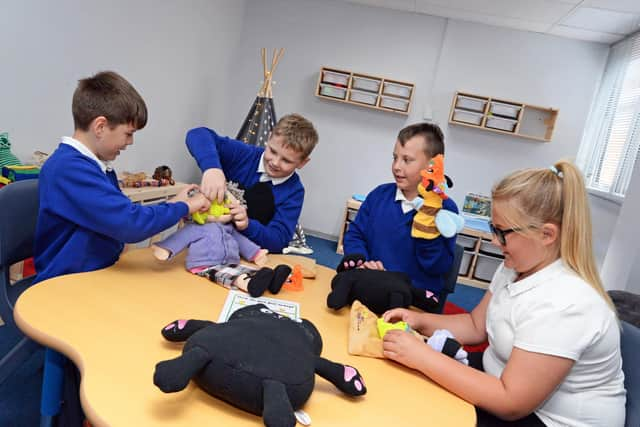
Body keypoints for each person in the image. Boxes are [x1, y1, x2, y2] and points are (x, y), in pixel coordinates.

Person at [382, 161, 626, 427]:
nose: (494, 241)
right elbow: (475, 326)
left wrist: (422, 356)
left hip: (546, 419)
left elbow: (511, 403)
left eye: (502, 233)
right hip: (501, 383)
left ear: (546, 234)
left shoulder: (567, 303)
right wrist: (419, 321)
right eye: (493, 228)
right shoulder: (516, 266)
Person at [33, 70, 210, 426]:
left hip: (94, 271)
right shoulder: (69, 168)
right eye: (127, 134)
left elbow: (120, 214)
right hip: (68, 281)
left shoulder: (95, 166)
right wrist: (184, 207)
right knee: (125, 333)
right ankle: (78, 409)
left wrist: (174, 201)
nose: (129, 143)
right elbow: (128, 224)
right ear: (100, 126)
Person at [341, 122, 458, 295]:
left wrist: (427, 236)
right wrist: (362, 260)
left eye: (407, 160)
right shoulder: (379, 195)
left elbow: (438, 266)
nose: (397, 166)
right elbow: (355, 234)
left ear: (433, 165)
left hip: (412, 296)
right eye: (395, 157)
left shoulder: (445, 209)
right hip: (370, 282)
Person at [185, 113, 318, 253]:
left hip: (250, 251)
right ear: (269, 138)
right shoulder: (245, 154)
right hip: (207, 237)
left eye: (286, 161)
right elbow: (198, 134)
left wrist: (248, 225)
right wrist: (212, 168)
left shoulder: (294, 192)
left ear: (302, 163)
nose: (275, 162)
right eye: (272, 151)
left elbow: (278, 240)